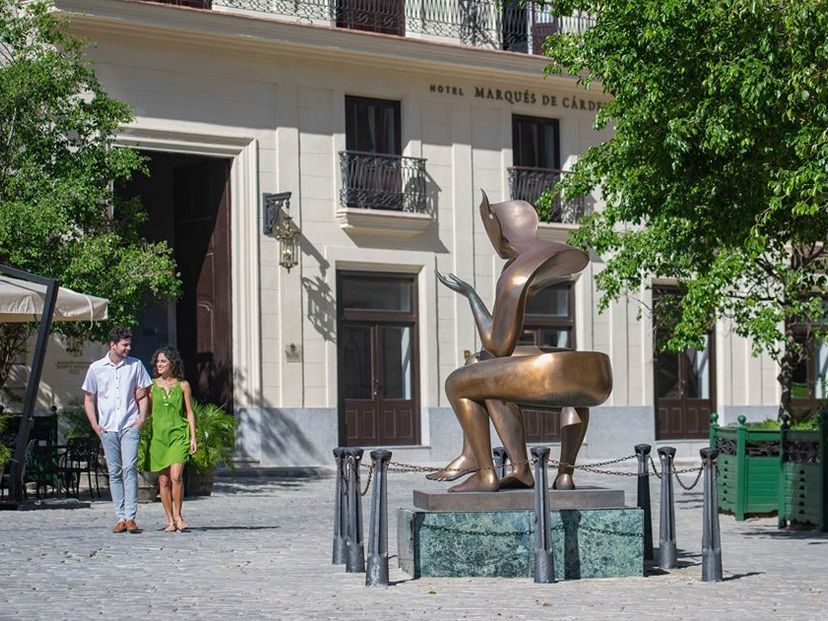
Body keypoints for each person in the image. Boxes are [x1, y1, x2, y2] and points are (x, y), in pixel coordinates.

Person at [429, 192, 612, 492]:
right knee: (479, 365)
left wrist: (471, 295)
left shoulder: (515, 273)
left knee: (458, 383)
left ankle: (482, 470)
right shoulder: (544, 253)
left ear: (499, 230)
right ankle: (555, 474)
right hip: (590, 375)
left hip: (552, 375)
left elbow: (498, 345)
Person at [83, 326, 152, 533]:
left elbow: (144, 392)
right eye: (124, 345)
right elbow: (89, 398)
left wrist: (141, 419)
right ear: (112, 345)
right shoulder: (96, 368)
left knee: (129, 468)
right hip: (107, 427)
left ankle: (131, 517)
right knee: (114, 472)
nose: (128, 348)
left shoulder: (136, 365)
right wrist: (95, 425)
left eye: (129, 344)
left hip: (129, 424)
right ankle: (120, 517)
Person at [146, 345, 197, 532]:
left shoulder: (183, 385)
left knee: (176, 477)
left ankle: (179, 516)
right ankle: (170, 520)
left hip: (179, 435)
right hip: (159, 437)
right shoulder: (151, 387)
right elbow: (147, 411)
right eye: (157, 361)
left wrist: (193, 437)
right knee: (163, 481)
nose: (159, 364)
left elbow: (189, 412)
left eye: (163, 361)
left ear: (172, 363)